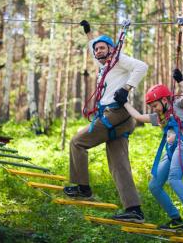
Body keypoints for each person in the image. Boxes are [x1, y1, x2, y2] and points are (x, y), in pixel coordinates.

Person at [63, 20, 148, 223]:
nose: (99, 51)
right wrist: (89, 34)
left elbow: (142, 66)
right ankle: (134, 209)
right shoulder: (105, 66)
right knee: (119, 164)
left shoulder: (118, 60)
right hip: (118, 119)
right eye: (97, 49)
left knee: (77, 141)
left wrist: (126, 88)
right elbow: (94, 51)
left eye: (103, 48)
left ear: (111, 49)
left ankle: (82, 188)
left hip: (116, 114)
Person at [114, 69, 183, 235]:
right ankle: (176, 220)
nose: (154, 109)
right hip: (171, 149)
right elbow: (140, 117)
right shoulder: (159, 117)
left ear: (164, 100)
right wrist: (124, 102)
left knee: (173, 178)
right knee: (155, 185)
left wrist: (181, 81)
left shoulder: (177, 105)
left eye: (155, 105)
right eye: (151, 107)